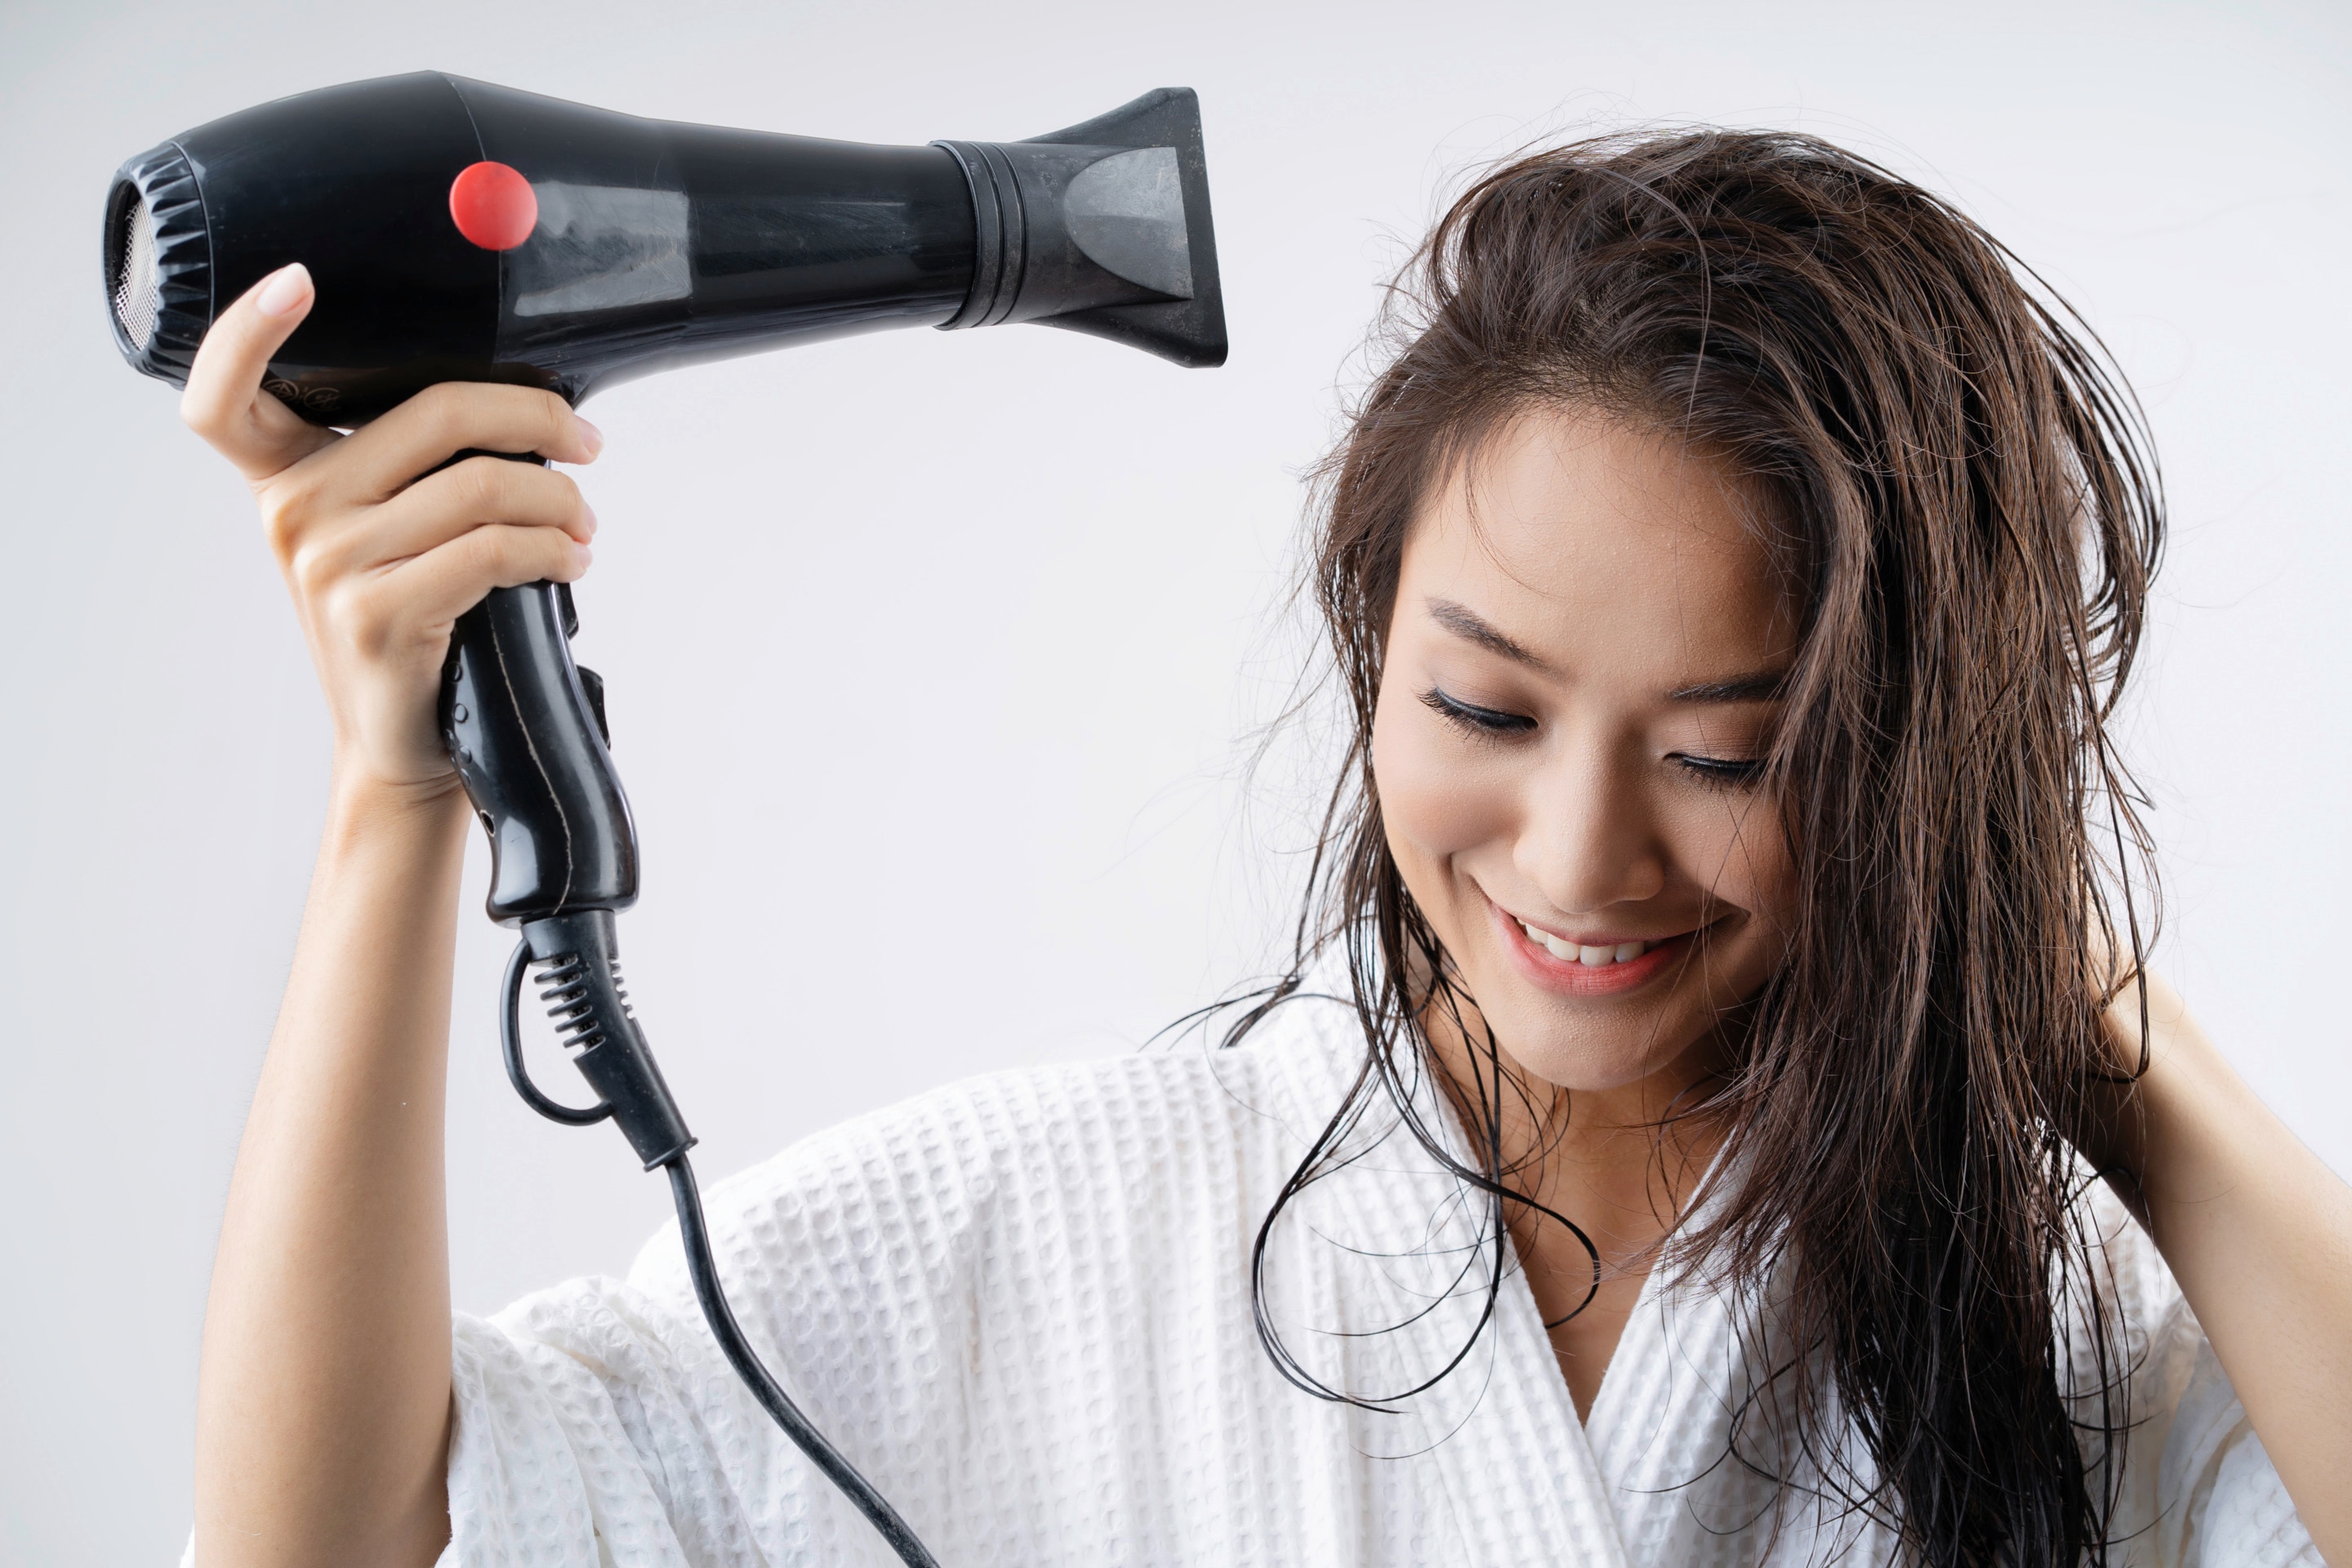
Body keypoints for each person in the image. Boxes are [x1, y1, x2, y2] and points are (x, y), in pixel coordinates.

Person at [176, 130, 2345, 1568]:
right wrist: (398, 800)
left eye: (1733, 750)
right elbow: (346, 1545)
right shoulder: (1045, 1228)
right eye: (1484, 711)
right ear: (1369, 644)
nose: (1580, 856)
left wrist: (2082, 1025)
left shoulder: (2058, 1345)